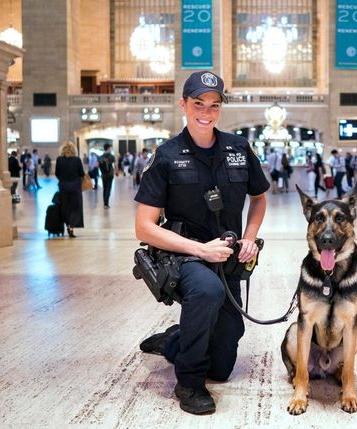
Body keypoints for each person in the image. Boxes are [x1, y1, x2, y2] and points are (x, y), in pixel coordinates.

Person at [134, 70, 269, 415]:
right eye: (198, 103)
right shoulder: (166, 156)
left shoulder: (239, 149)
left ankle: (175, 340)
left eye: (213, 104)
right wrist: (199, 249)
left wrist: (249, 238)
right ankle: (189, 382)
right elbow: (144, 227)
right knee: (207, 291)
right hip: (183, 256)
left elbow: (259, 198)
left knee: (222, 367)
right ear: (183, 104)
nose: (206, 111)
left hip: (227, 257)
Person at [55, 141, 85, 238]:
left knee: (65, 207)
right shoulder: (77, 160)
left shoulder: (59, 160)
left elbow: (57, 173)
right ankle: (72, 226)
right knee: (75, 208)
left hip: (63, 186)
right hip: (75, 187)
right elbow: (81, 173)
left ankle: (67, 224)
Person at [99, 143, 116, 208]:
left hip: (103, 174)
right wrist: (116, 172)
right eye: (110, 148)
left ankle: (104, 203)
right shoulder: (111, 156)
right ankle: (106, 204)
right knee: (108, 188)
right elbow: (115, 165)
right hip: (110, 174)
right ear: (108, 148)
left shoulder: (101, 156)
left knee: (104, 189)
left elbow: (97, 165)